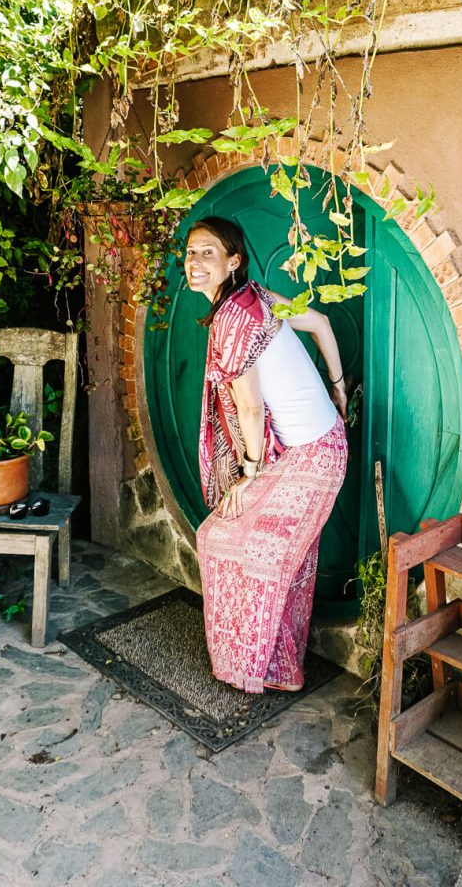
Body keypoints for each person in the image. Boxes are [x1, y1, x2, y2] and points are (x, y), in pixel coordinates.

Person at [186, 216, 348, 693]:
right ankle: (281, 670)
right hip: (321, 446)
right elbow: (320, 323)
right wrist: (337, 389)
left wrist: (248, 476)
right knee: (284, 561)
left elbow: (250, 405)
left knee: (220, 540)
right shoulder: (256, 296)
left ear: (233, 261)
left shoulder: (234, 319)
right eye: (191, 252)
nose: (195, 262)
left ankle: (247, 666)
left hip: (311, 457)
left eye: (208, 252)